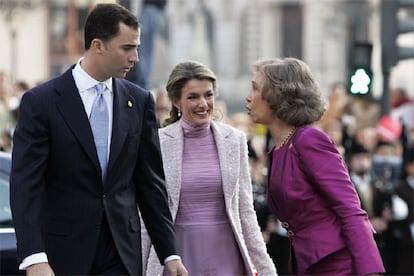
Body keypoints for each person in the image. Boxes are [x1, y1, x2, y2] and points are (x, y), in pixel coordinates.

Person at [10, 4, 187, 276]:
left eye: (137, 47)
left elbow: (150, 183)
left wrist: (170, 253)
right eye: (127, 48)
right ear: (97, 45)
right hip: (62, 255)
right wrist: (34, 257)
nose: (136, 57)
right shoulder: (41, 102)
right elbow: (25, 186)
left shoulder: (139, 101)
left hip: (121, 254)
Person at [245, 57, 385, 275]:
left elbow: (349, 209)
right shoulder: (276, 151)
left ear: (277, 96)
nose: (248, 97)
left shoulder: (309, 139)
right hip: (307, 264)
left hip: (337, 264)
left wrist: (370, 270)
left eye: (255, 89)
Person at [142, 60, 277, 276]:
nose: (203, 103)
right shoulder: (158, 143)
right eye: (193, 97)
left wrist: (266, 269)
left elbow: (245, 211)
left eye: (208, 95)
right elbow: (147, 217)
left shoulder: (235, 140)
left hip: (227, 257)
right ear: (176, 101)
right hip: (178, 257)